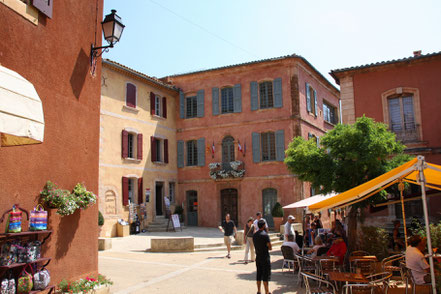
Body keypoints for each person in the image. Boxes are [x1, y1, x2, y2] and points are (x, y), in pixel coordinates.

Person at [253, 219, 272, 294]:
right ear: (264, 226)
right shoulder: (265, 235)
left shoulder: (254, 235)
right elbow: (270, 247)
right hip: (265, 257)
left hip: (258, 256)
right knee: (265, 275)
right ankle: (267, 291)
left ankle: (258, 290)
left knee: (259, 273)